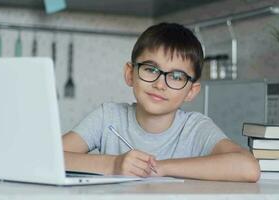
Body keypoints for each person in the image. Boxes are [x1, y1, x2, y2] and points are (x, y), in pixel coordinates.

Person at [62, 22, 260, 182]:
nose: (160, 84)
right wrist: (114, 165)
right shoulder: (108, 117)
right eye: (151, 69)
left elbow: (248, 167)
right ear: (130, 74)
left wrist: (161, 168)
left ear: (191, 90)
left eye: (176, 76)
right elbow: (46, 156)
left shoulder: (195, 128)